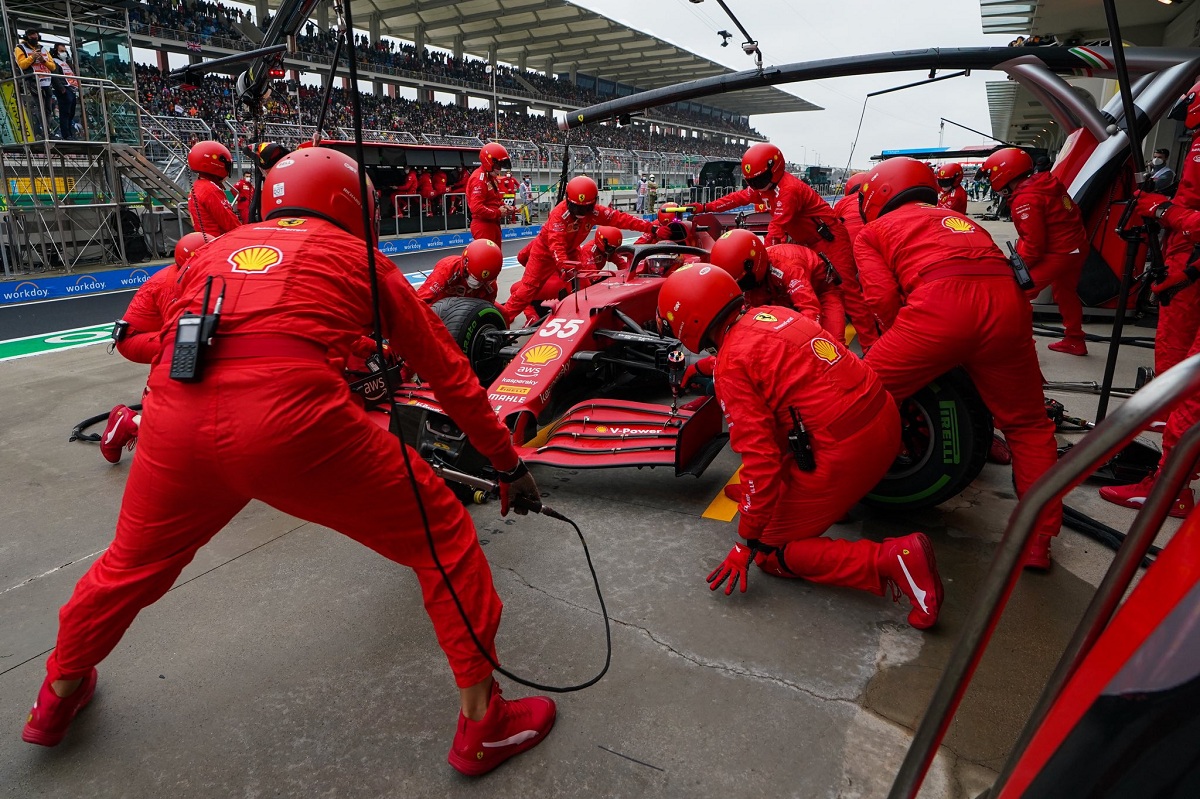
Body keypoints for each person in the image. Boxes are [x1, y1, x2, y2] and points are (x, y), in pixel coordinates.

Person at [21, 147, 555, 776]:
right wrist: (506, 465)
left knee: (126, 569)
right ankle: (483, 722)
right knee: (443, 536)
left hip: (175, 421)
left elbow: (172, 338)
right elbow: (450, 378)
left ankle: (56, 696)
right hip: (293, 425)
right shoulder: (363, 260)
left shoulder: (212, 253)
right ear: (353, 205)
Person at [655, 264, 942, 629]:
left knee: (770, 552)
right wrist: (708, 368)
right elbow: (766, 356)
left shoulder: (731, 366)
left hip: (848, 451)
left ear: (688, 323)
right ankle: (829, 504)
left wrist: (746, 542)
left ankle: (892, 559)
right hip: (885, 422)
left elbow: (762, 460)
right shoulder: (773, 313)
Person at [853, 157, 1061, 569]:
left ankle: (835, 496)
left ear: (879, 193)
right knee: (1028, 425)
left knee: (853, 397)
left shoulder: (873, 231)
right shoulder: (963, 221)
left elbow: (881, 299)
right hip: (1009, 307)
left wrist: (918, 352)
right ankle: (1038, 542)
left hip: (939, 309)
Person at [691, 143, 879, 350]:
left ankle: (871, 346)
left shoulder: (789, 190)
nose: (756, 185)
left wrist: (763, 259)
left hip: (829, 240)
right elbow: (737, 198)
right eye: (751, 181)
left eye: (759, 180)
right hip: (808, 243)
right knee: (813, 291)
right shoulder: (764, 188)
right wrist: (706, 207)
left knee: (849, 294)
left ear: (775, 169)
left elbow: (777, 229)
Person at [1097, 189, 1200, 518]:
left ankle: (1170, 490)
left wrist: (1165, 211)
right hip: (1188, 262)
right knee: (1181, 371)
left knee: (1193, 390)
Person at [100, 232, 214, 463]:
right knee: (183, 345)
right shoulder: (174, 285)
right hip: (135, 340)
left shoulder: (188, 277)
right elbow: (180, 333)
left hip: (154, 335)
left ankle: (151, 412)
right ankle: (132, 419)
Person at [500, 175, 657, 324]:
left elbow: (622, 219)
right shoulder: (559, 214)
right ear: (568, 200)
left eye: (585, 209)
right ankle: (502, 319)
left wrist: (652, 228)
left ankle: (586, 319)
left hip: (571, 251)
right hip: (544, 253)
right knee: (527, 289)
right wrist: (562, 263)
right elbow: (556, 243)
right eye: (576, 208)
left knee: (585, 285)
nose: (581, 214)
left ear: (593, 203)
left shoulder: (596, 212)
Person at [981, 147, 1089, 355]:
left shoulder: (1025, 198)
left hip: (1060, 253)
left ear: (1005, 173)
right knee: (1065, 293)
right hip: (1075, 248)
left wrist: (1015, 269)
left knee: (1016, 291)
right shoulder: (1047, 184)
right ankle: (1075, 339)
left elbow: (1034, 245)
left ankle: (1011, 345)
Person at [707, 228, 844, 338]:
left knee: (832, 342)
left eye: (744, 282)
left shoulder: (787, 266)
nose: (743, 287)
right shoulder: (752, 284)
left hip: (821, 292)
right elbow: (749, 315)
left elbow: (811, 309)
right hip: (780, 296)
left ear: (752, 265)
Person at [416, 238, 505, 305]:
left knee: (503, 313)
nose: (476, 284)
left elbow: (487, 307)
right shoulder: (446, 268)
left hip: (468, 308)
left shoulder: (490, 286)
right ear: (465, 262)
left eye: (482, 282)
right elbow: (420, 300)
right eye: (474, 278)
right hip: (441, 305)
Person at [186, 140, 241, 237]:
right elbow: (231, 224)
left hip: (208, 242)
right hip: (220, 243)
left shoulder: (197, 186)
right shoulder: (211, 190)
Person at [468, 142, 515, 246]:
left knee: (497, 258)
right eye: (498, 165)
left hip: (493, 223)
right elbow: (476, 207)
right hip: (483, 225)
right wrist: (498, 212)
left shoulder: (491, 177)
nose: (500, 169)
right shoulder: (479, 179)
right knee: (488, 259)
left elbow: (494, 199)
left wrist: (504, 206)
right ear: (489, 162)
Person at [13, 28, 56, 139]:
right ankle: (43, 131)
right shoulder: (20, 48)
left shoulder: (42, 49)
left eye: (35, 36)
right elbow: (22, 65)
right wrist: (32, 57)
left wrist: (43, 60)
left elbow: (53, 66)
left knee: (48, 108)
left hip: (46, 81)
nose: (34, 38)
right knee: (39, 106)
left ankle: (48, 130)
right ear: (27, 37)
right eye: (31, 36)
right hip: (33, 81)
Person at [50, 44, 79, 140]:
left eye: (65, 51)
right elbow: (54, 76)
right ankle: (65, 134)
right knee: (65, 113)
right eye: (61, 51)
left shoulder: (65, 62)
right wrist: (61, 89)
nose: (64, 53)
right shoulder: (54, 61)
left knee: (71, 112)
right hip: (63, 89)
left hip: (71, 88)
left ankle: (70, 133)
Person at [832, 173, 868, 249]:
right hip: (871, 239)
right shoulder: (874, 198)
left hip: (848, 241)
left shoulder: (843, 202)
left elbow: (832, 221)